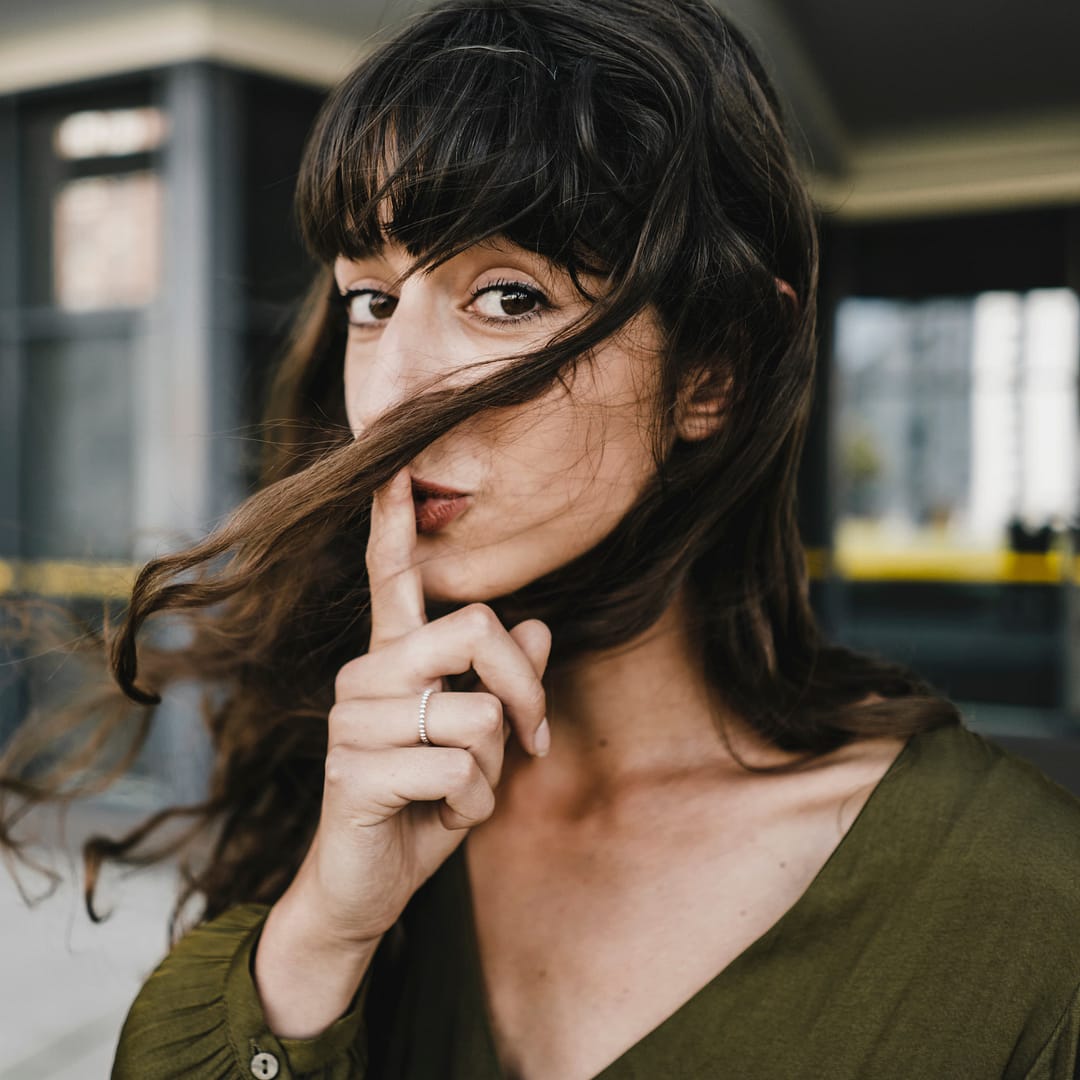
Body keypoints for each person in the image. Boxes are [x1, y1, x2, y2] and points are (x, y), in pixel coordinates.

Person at [2, 0, 1079, 1077]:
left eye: (508, 297)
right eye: (370, 301)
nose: (390, 393)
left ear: (714, 372)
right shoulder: (348, 776)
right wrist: (326, 925)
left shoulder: (1019, 903)